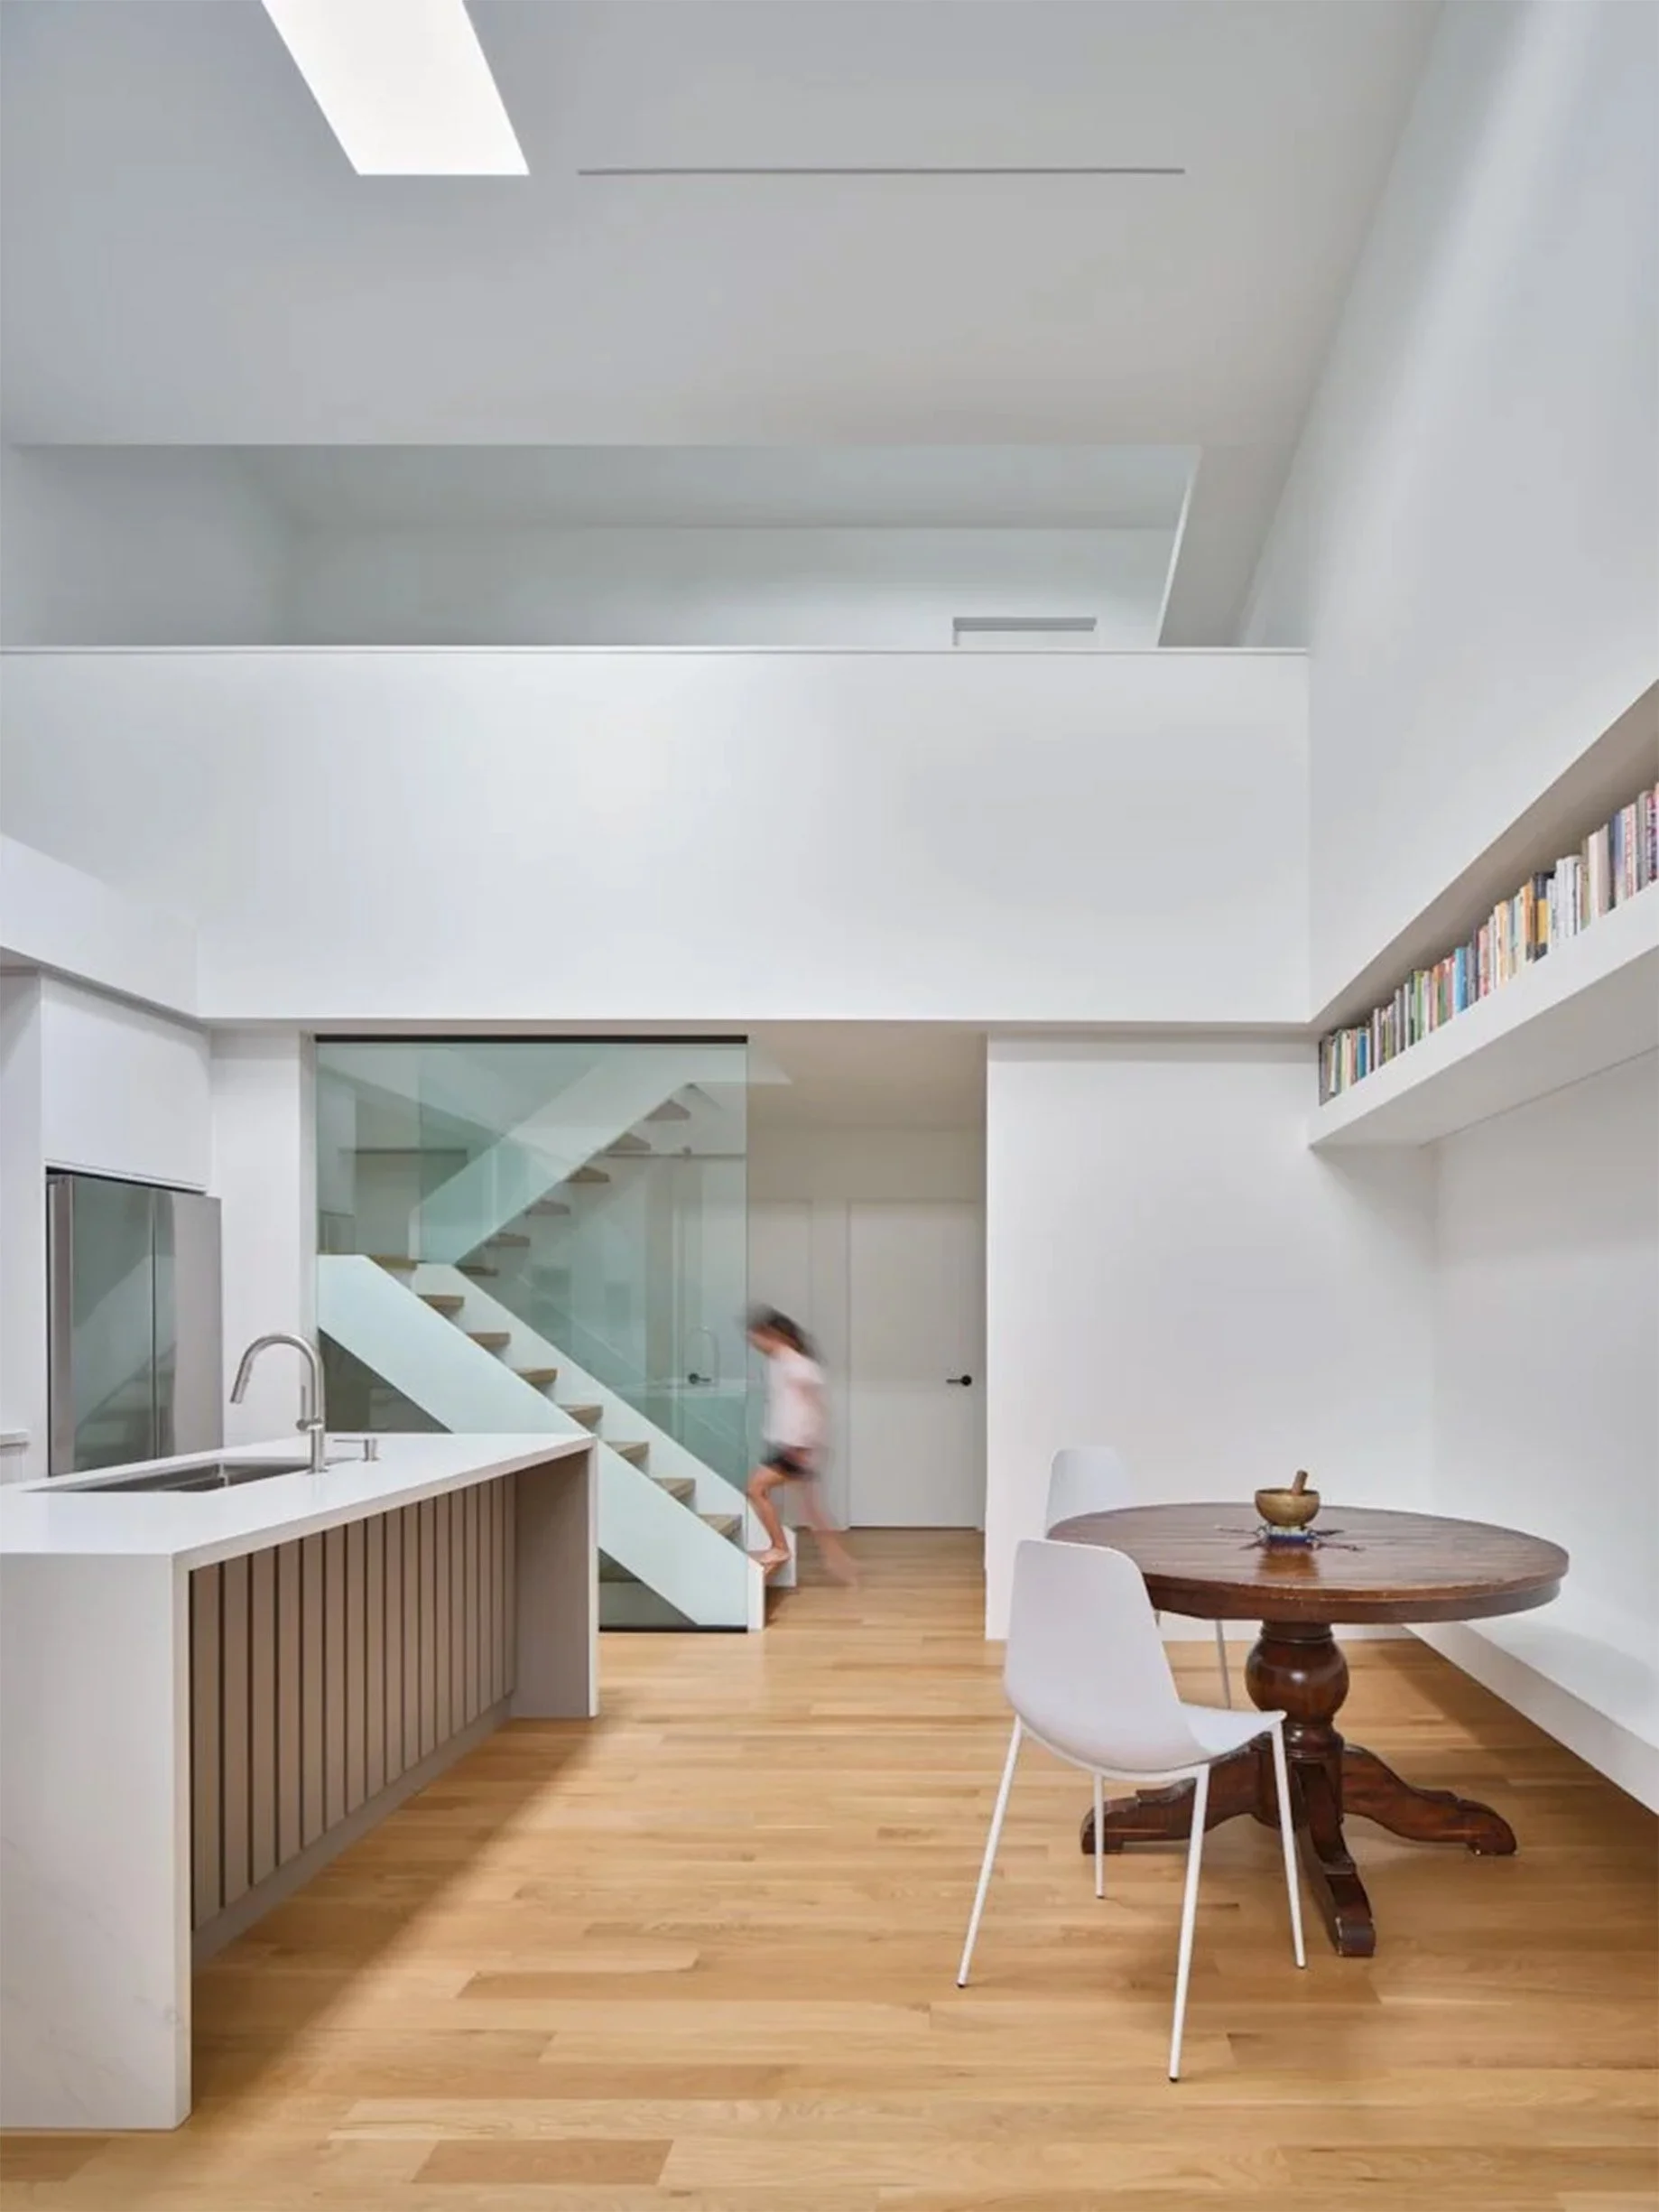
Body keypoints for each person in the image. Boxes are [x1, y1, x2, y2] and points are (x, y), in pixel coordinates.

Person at [746, 1307, 856, 1585]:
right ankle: (842, 1563)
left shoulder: (799, 1366)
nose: (756, 1343)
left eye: (759, 1337)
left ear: (775, 1336)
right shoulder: (779, 1363)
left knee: (756, 1489)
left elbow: (815, 1409)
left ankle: (780, 1548)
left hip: (796, 1447)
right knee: (813, 1512)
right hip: (789, 1445)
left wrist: (806, 1447)